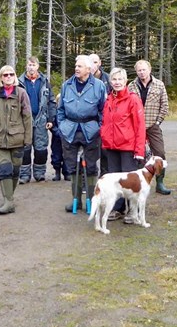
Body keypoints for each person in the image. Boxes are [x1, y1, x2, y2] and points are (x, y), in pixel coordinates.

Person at [58, 54, 106, 213]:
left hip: (91, 132)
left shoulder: (99, 86)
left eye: (79, 66)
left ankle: (92, 201)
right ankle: (76, 200)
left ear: (88, 69)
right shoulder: (66, 85)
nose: (76, 69)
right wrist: (63, 126)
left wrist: (98, 128)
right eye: (76, 66)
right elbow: (60, 110)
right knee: (72, 167)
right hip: (70, 131)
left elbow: (103, 110)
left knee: (91, 167)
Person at [0, 65, 33, 214]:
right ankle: (8, 201)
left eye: (11, 74)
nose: (8, 77)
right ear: (0, 77)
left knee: (15, 170)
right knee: (4, 169)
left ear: (15, 76)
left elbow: (27, 116)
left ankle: (9, 198)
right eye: (5, 75)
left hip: (17, 138)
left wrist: (28, 138)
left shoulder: (21, 93)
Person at [101, 67, 145, 223]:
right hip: (112, 147)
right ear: (110, 81)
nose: (117, 82)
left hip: (128, 147)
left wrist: (139, 150)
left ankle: (133, 212)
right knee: (115, 181)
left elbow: (140, 126)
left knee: (130, 182)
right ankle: (118, 208)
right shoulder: (109, 99)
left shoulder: (133, 99)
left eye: (120, 79)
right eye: (114, 79)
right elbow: (106, 122)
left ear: (126, 81)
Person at [128, 59, 171, 195]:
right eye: (139, 70)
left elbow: (164, 105)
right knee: (138, 155)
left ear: (149, 70)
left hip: (153, 125)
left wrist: (158, 121)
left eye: (144, 69)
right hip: (135, 126)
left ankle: (160, 183)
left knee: (160, 153)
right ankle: (140, 183)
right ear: (136, 72)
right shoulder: (131, 86)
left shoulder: (159, 85)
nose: (141, 72)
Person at [17, 56, 56, 183]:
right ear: (26, 66)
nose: (31, 67)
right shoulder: (19, 82)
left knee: (41, 149)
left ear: (38, 66)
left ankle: (39, 174)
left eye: (33, 65)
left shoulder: (44, 81)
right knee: (25, 149)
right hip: (24, 121)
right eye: (29, 65)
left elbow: (51, 101)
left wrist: (51, 119)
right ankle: (24, 175)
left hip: (41, 120)